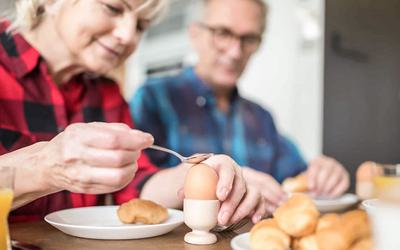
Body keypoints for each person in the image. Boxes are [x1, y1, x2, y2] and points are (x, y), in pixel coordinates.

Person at [0, 0, 267, 225]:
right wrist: (45, 165)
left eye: (140, 25)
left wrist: (204, 174)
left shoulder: (106, 92)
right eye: (114, 8)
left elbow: (133, 187)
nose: (128, 37)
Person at [130, 0, 350, 214]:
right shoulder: (154, 99)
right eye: (223, 33)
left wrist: (321, 174)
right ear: (194, 33)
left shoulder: (261, 117)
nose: (236, 52)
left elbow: (297, 179)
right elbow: (133, 190)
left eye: (249, 38)